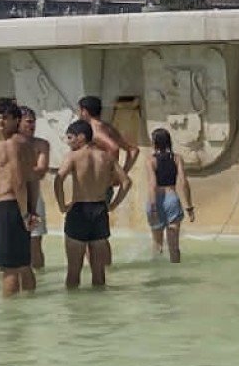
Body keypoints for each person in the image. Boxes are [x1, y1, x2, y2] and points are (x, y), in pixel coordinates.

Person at [54, 118, 130, 288]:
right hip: (100, 210)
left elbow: (58, 180)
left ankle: (74, 312)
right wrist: (114, 204)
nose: (68, 142)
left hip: (79, 209)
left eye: (70, 138)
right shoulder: (106, 157)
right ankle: (98, 312)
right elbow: (126, 182)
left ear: (81, 137)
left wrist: (61, 205)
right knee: (99, 273)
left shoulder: (73, 156)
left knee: (73, 271)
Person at [0, 97, 37, 297]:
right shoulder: (26, 143)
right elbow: (32, 179)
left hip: (10, 206)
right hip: (20, 206)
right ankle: (30, 302)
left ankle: (10, 319)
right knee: (23, 263)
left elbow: (18, 180)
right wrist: (30, 210)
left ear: (16, 120)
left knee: (8, 267)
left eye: (5, 118)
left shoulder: (10, 145)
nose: (0, 122)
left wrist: (26, 214)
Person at [145, 126, 194, 262]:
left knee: (157, 244)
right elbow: (184, 182)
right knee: (174, 247)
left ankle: (158, 276)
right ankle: (177, 276)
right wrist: (189, 207)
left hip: (156, 200)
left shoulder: (150, 160)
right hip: (172, 198)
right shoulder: (177, 158)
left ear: (154, 143)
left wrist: (154, 207)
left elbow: (152, 185)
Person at [76, 95, 139, 182]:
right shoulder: (107, 127)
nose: (78, 113)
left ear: (85, 111)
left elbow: (114, 147)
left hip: (96, 183)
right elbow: (133, 150)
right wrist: (122, 173)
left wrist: (114, 175)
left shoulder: (93, 130)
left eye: (79, 110)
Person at [19, 106, 51, 272]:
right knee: (13, 242)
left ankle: (39, 276)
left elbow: (42, 170)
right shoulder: (9, 143)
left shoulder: (41, 144)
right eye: (28, 122)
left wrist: (20, 171)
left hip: (34, 196)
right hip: (13, 197)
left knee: (35, 240)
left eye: (34, 122)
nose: (32, 126)